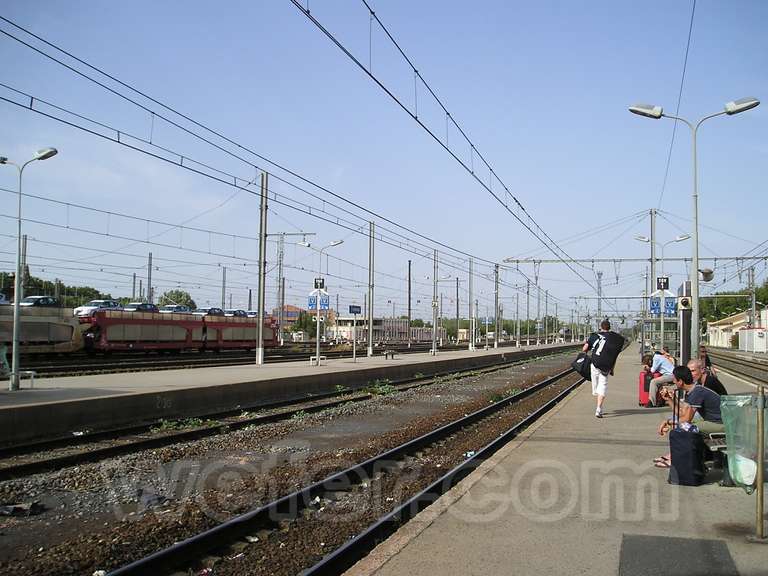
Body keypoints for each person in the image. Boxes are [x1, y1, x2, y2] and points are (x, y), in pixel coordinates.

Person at [654, 365, 725, 468]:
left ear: (680, 381)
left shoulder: (697, 392)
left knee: (685, 427)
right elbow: (682, 415)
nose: (673, 382)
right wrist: (669, 399)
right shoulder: (693, 391)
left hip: (721, 424)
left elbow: (686, 420)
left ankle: (675, 458)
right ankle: (674, 456)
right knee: (683, 425)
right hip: (714, 422)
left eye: (674, 379)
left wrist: (668, 422)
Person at [583, 319, 625, 418]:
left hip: (595, 363)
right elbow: (615, 355)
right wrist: (612, 368)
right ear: (609, 327)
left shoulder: (595, 336)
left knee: (596, 388)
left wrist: (588, 344)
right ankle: (599, 409)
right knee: (602, 386)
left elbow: (584, 349)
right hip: (607, 366)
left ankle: (597, 395)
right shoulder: (617, 338)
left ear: (601, 327)